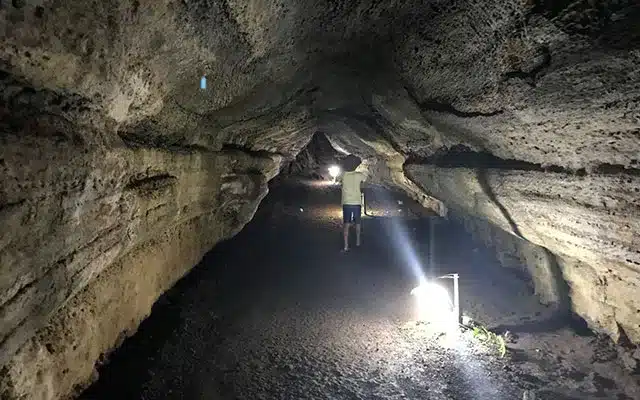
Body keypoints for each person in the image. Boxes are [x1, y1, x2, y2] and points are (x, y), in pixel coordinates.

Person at [337, 155, 367, 252]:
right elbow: (365, 179)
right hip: (357, 202)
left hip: (347, 202)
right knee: (358, 222)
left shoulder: (343, 175)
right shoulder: (359, 175)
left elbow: (338, 180)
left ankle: (346, 246)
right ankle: (358, 242)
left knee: (346, 224)